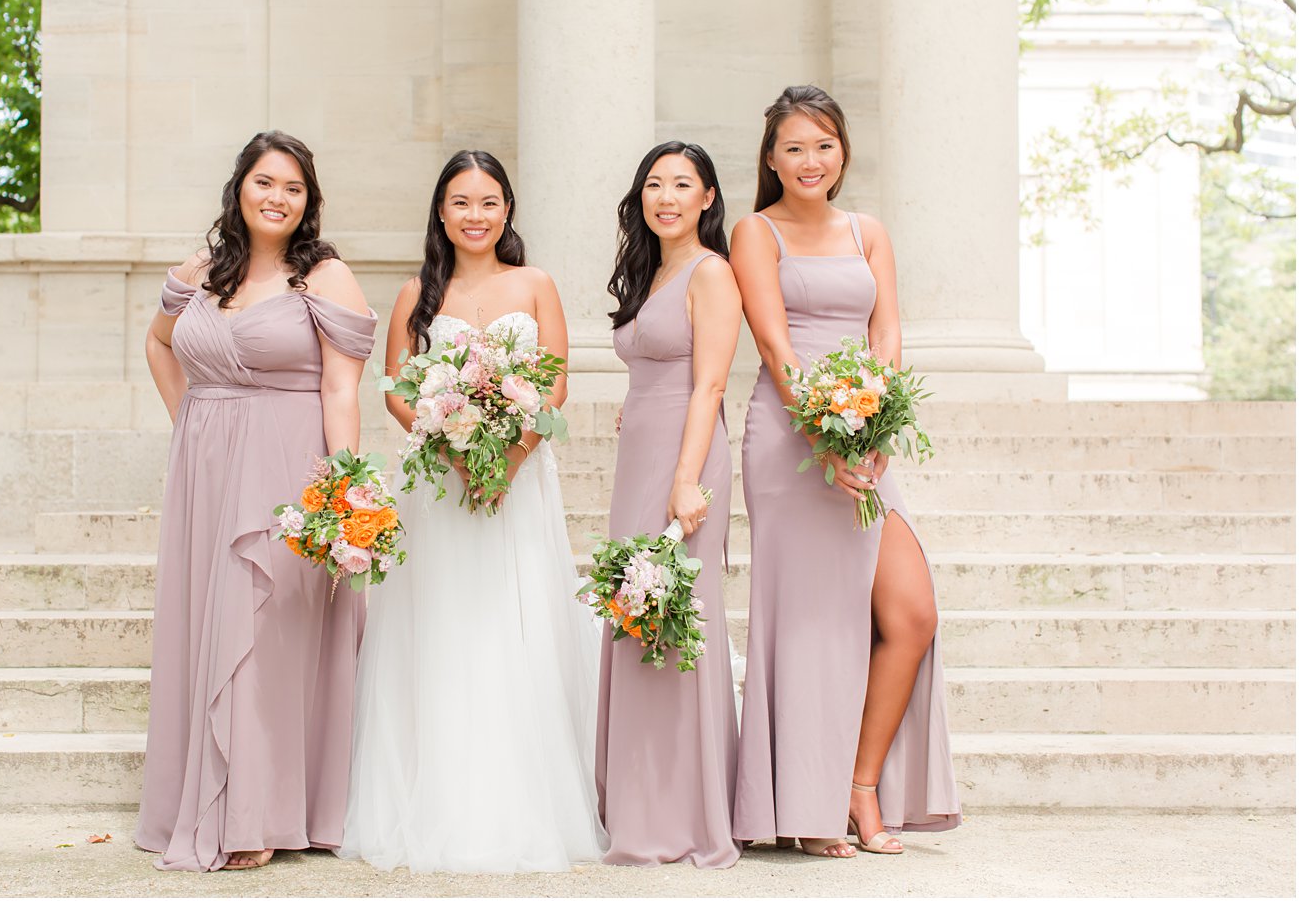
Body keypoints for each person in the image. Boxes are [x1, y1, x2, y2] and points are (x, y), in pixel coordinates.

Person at [338, 150, 608, 872]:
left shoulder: (536, 283)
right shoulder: (414, 293)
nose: (476, 214)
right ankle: (435, 794)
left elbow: (553, 382)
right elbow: (394, 388)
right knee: (445, 624)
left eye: (489, 201)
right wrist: (450, 444)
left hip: (520, 483)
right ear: (441, 213)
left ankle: (525, 795)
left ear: (508, 209)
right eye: (461, 201)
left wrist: (511, 456)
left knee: (513, 621)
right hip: (439, 485)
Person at [134, 131, 377, 871]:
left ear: (309, 201)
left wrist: (345, 493)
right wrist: (192, 426)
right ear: (240, 187)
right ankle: (207, 798)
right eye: (265, 182)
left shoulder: (325, 277)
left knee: (266, 632)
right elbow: (158, 342)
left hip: (286, 468)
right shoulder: (200, 272)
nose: (278, 197)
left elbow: (341, 388)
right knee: (208, 623)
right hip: (207, 473)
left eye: (294, 187)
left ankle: (259, 811)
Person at [730, 86, 960, 857]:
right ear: (771, 158)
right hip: (790, 443)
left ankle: (859, 785)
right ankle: (804, 803)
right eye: (793, 147)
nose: (809, 160)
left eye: (823, 145)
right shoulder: (755, 232)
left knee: (912, 613)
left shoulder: (868, 232)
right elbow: (773, 344)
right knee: (808, 622)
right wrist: (822, 437)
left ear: (842, 152)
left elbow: (887, 329)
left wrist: (878, 419)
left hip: (864, 432)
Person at [595, 141, 742, 868]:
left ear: (709, 198)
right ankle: (634, 800)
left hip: (686, 457)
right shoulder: (650, 270)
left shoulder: (712, 272)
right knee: (633, 608)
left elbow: (709, 385)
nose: (667, 196)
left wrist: (687, 480)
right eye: (654, 183)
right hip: (642, 451)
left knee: (677, 613)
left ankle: (682, 811)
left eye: (683, 184)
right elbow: (658, 363)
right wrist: (638, 405)